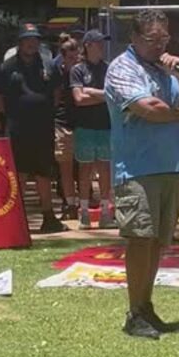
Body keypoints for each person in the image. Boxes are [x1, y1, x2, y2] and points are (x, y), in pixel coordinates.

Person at [105, 9, 179, 339]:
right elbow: (149, 110)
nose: (159, 45)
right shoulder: (122, 68)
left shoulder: (168, 71)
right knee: (140, 239)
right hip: (136, 169)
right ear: (134, 38)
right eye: (152, 39)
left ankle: (146, 306)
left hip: (170, 166)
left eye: (164, 39)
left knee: (157, 243)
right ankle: (134, 313)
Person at [0, 22, 66, 233]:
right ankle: (14, 220)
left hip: (42, 128)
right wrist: (11, 116)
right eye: (27, 40)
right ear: (20, 43)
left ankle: (49, 218)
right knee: (19, 174)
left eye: (35, 40)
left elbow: (57, 93)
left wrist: (42, 111)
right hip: (17, 129)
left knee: (44, 173)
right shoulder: (7, 67)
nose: (31, 44)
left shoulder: (48, 65)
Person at [70, 29, 114, 229]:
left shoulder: (109, 69)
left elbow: (114, 96)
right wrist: (102, 95)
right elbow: (78, 99)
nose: (102, 47)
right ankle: (84, 212)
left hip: (105, 125)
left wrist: (92, 92)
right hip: (85, 126)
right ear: (87, 46)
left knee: (105, 167)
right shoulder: (78, 70)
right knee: (85, 168)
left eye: (102, 43)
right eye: (98, 43)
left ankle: (106, 212)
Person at [52, 38, 80, 220]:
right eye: (70, 57)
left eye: (76, 57)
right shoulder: (56, 75)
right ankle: (69, 204)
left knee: (86, 168)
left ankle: (85, 202)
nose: (74, 60)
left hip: (83, 125)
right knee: (65, 167)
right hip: (61, 124)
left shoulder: (82, 73)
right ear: (63, 58)